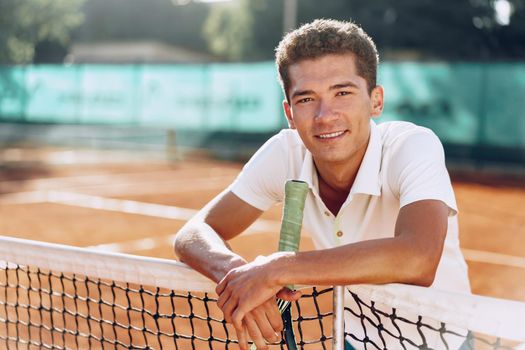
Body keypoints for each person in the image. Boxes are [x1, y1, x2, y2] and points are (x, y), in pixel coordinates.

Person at [174, 18, 470, 350]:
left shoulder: (412, 145)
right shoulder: (285, 153)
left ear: (376, 100)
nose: (324, 115)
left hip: (439, 342)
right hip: (355, 338)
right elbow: (192, 233)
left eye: (342, 92)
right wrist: (238, 273)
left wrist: (276, 270)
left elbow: (418, 258)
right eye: (306, 99)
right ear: (289, 112)